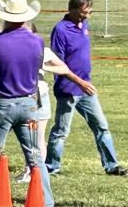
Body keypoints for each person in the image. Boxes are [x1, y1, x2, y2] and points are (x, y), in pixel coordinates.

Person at [0, 0, 55, 207]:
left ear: (5, 16)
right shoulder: (37, 41)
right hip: (29, 103)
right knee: (35, 157)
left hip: (2, 103)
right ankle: (47, 206)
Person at [44, 0, 128, 177]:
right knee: (61, 131)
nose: (88, 15)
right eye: (85, 11)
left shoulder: (84, 25)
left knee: (101, 126)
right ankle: (51, 167)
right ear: (73, 10)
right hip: (68, 89)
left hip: (87, 89)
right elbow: (56, 63)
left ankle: (111, 165)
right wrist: (79, 82)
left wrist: (85, 84)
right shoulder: (60, 30)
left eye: (89, 11)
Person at [14, 23, 97, 183]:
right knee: (28, 137)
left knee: (37, 137)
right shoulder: (15, 51)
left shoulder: (42, 51)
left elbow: (63, 68)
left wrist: (44, 66)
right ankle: (32, 171)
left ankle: (33, 173)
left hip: (38, 96)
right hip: (22, 96)